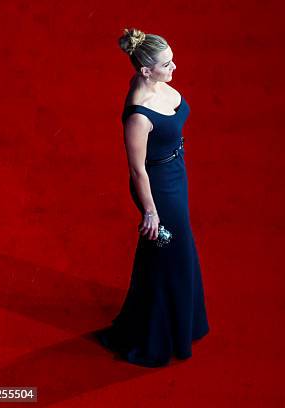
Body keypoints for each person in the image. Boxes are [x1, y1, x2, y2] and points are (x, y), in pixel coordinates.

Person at [95, 27, 209, 367]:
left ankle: (174, 322)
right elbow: (137, 171)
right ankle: (157, 336)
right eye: (167, 65)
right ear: (146, 71)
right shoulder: (138, 115)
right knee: (174, 252)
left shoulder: (154, 86)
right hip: (158, 188)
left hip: (176, 172)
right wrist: (150, 213)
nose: (174, 68)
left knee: (168, 254)